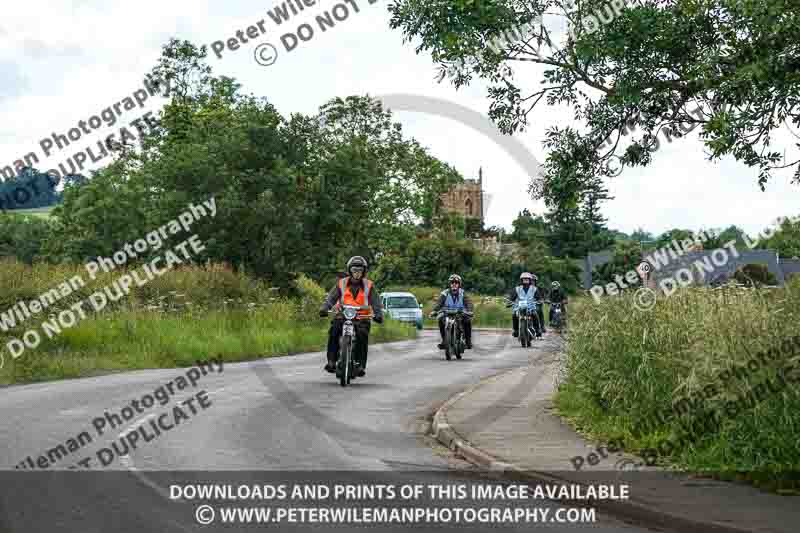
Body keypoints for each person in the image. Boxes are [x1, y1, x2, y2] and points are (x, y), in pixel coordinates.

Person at [319, 256, 383, 377]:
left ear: (364, 272)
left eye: (360, 270)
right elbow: (331, 298)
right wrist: (324, 308)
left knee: (362, 335)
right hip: (342, 316)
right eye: (354, 270)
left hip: (362, 318)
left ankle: (360, 364)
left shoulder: (369, 286)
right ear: (350, 270)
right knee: (334, 331)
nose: (357, 273)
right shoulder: (341, 283)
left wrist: (378, 314)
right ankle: (331, 361)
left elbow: (376, 302)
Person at [431, 274, 474, 350]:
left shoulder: (463, 293)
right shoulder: (445, 293)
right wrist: (434, 311)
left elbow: (468, 303)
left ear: (459, 284)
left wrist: (469, 311)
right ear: (450, 284)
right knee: (440, 319)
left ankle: (468, 341)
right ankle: (444, 340)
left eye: (456, 282)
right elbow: (439, 304)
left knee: (468, 320)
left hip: (460, 314)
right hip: (447, 314)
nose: (454, 284)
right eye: (452, 282)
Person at [508, 272, 542, 338]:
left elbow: (539, 298)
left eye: (527, 279)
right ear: (521, 280)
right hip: (519, 307)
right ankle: (516, 330)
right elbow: (512, 297)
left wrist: (539, 301)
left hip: (530, 307)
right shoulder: (517, 289)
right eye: (524, 279)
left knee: (535, 314)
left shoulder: (534, 288)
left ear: (530, 280)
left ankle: (538, 330)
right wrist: (509, 302)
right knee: (514, 315)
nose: (526, 280)